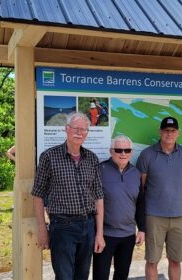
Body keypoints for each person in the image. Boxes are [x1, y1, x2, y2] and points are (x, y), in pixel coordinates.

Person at [31, 112, 105, 279]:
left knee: (82, 275)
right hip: (62, 227)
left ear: (87, 133)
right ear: (66, 129)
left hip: (88, 226)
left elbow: (99, 197)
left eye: (83, 130)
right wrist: (42, 229)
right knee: (64, 276)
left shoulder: (92, 159)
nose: (79, 133)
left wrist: (99, 233)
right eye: (75, 128)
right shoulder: (49, 157)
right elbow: (37, 195)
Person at [136, 116, 182, 280]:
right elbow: (142, 186)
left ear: (178, 133)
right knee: (152, 261)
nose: (169, 133)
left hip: (177, 216)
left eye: (173, 131)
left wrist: (173, 198)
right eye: (166, 130)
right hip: (154, 216)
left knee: (175, 261)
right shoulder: (147, 155)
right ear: (160, 132)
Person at [93, 135, 146, 280]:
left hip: (128, 235)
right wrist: (97, 233)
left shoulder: (136, 173)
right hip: (105, 235)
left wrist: (141, 229)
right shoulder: (99, 170)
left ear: (131, 152)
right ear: (111, 151)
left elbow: (140, 203)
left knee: (122, 275)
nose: (123, 153)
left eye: (127, 150)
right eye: (118, 150)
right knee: (100, 275)